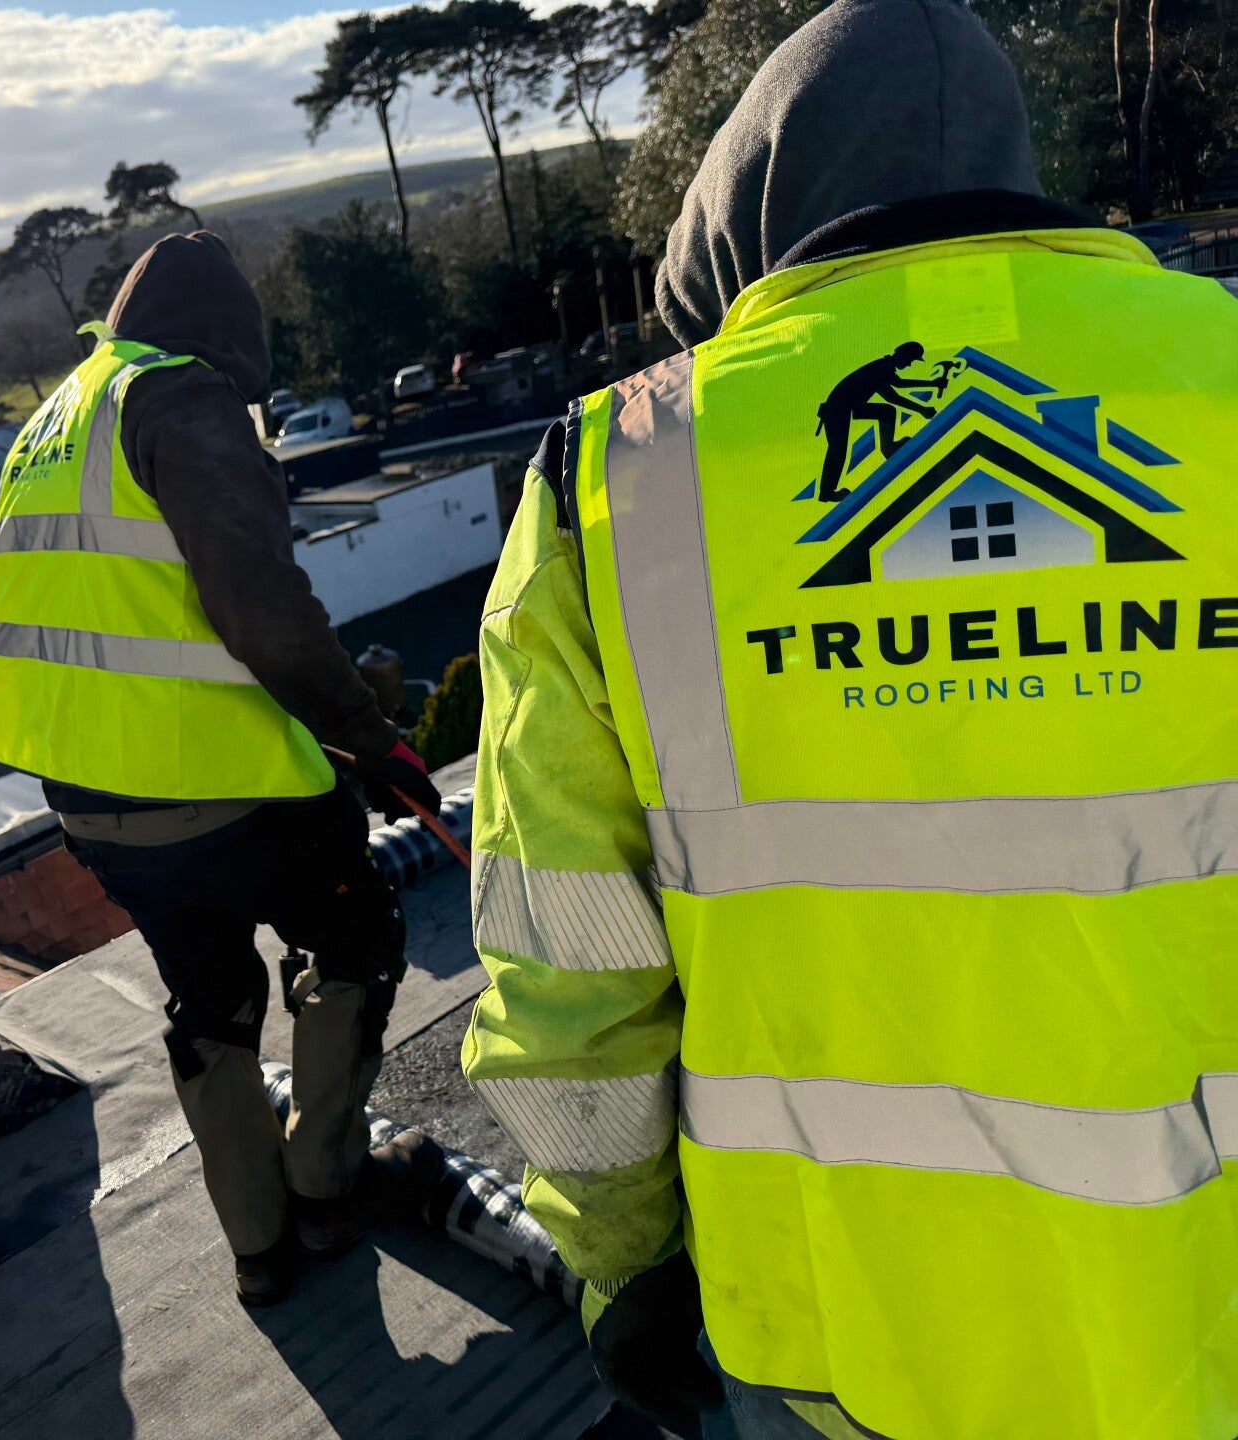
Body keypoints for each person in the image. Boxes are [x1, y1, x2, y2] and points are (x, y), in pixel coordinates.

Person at [462, 1, 1237, 1437]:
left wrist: (625, 1268)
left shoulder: (614, 484)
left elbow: (567, 976)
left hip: (845, 1349)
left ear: (744, 210)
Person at [0, 232, 444, 1306]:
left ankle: (259, 1251)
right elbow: (263, 612)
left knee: (211, 999)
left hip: (92, 806)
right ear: (227, 348)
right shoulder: (182, 397)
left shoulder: (60, 417)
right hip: (228, 796)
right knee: (354, 936)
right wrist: (374, 739)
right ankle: (327, 1188)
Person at [811, 341, 938, 500]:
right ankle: (827, 492)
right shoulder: (880, 369)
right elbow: (893, 397)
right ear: (903, 356)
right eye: (910, 360)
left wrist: (932, 384)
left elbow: (900, 383)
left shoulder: (885, 366)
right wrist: (922, 409)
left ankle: (888, 447)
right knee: (838, 450)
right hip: (837, 409)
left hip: (851, 405)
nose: (910, 364)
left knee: (886, 412)